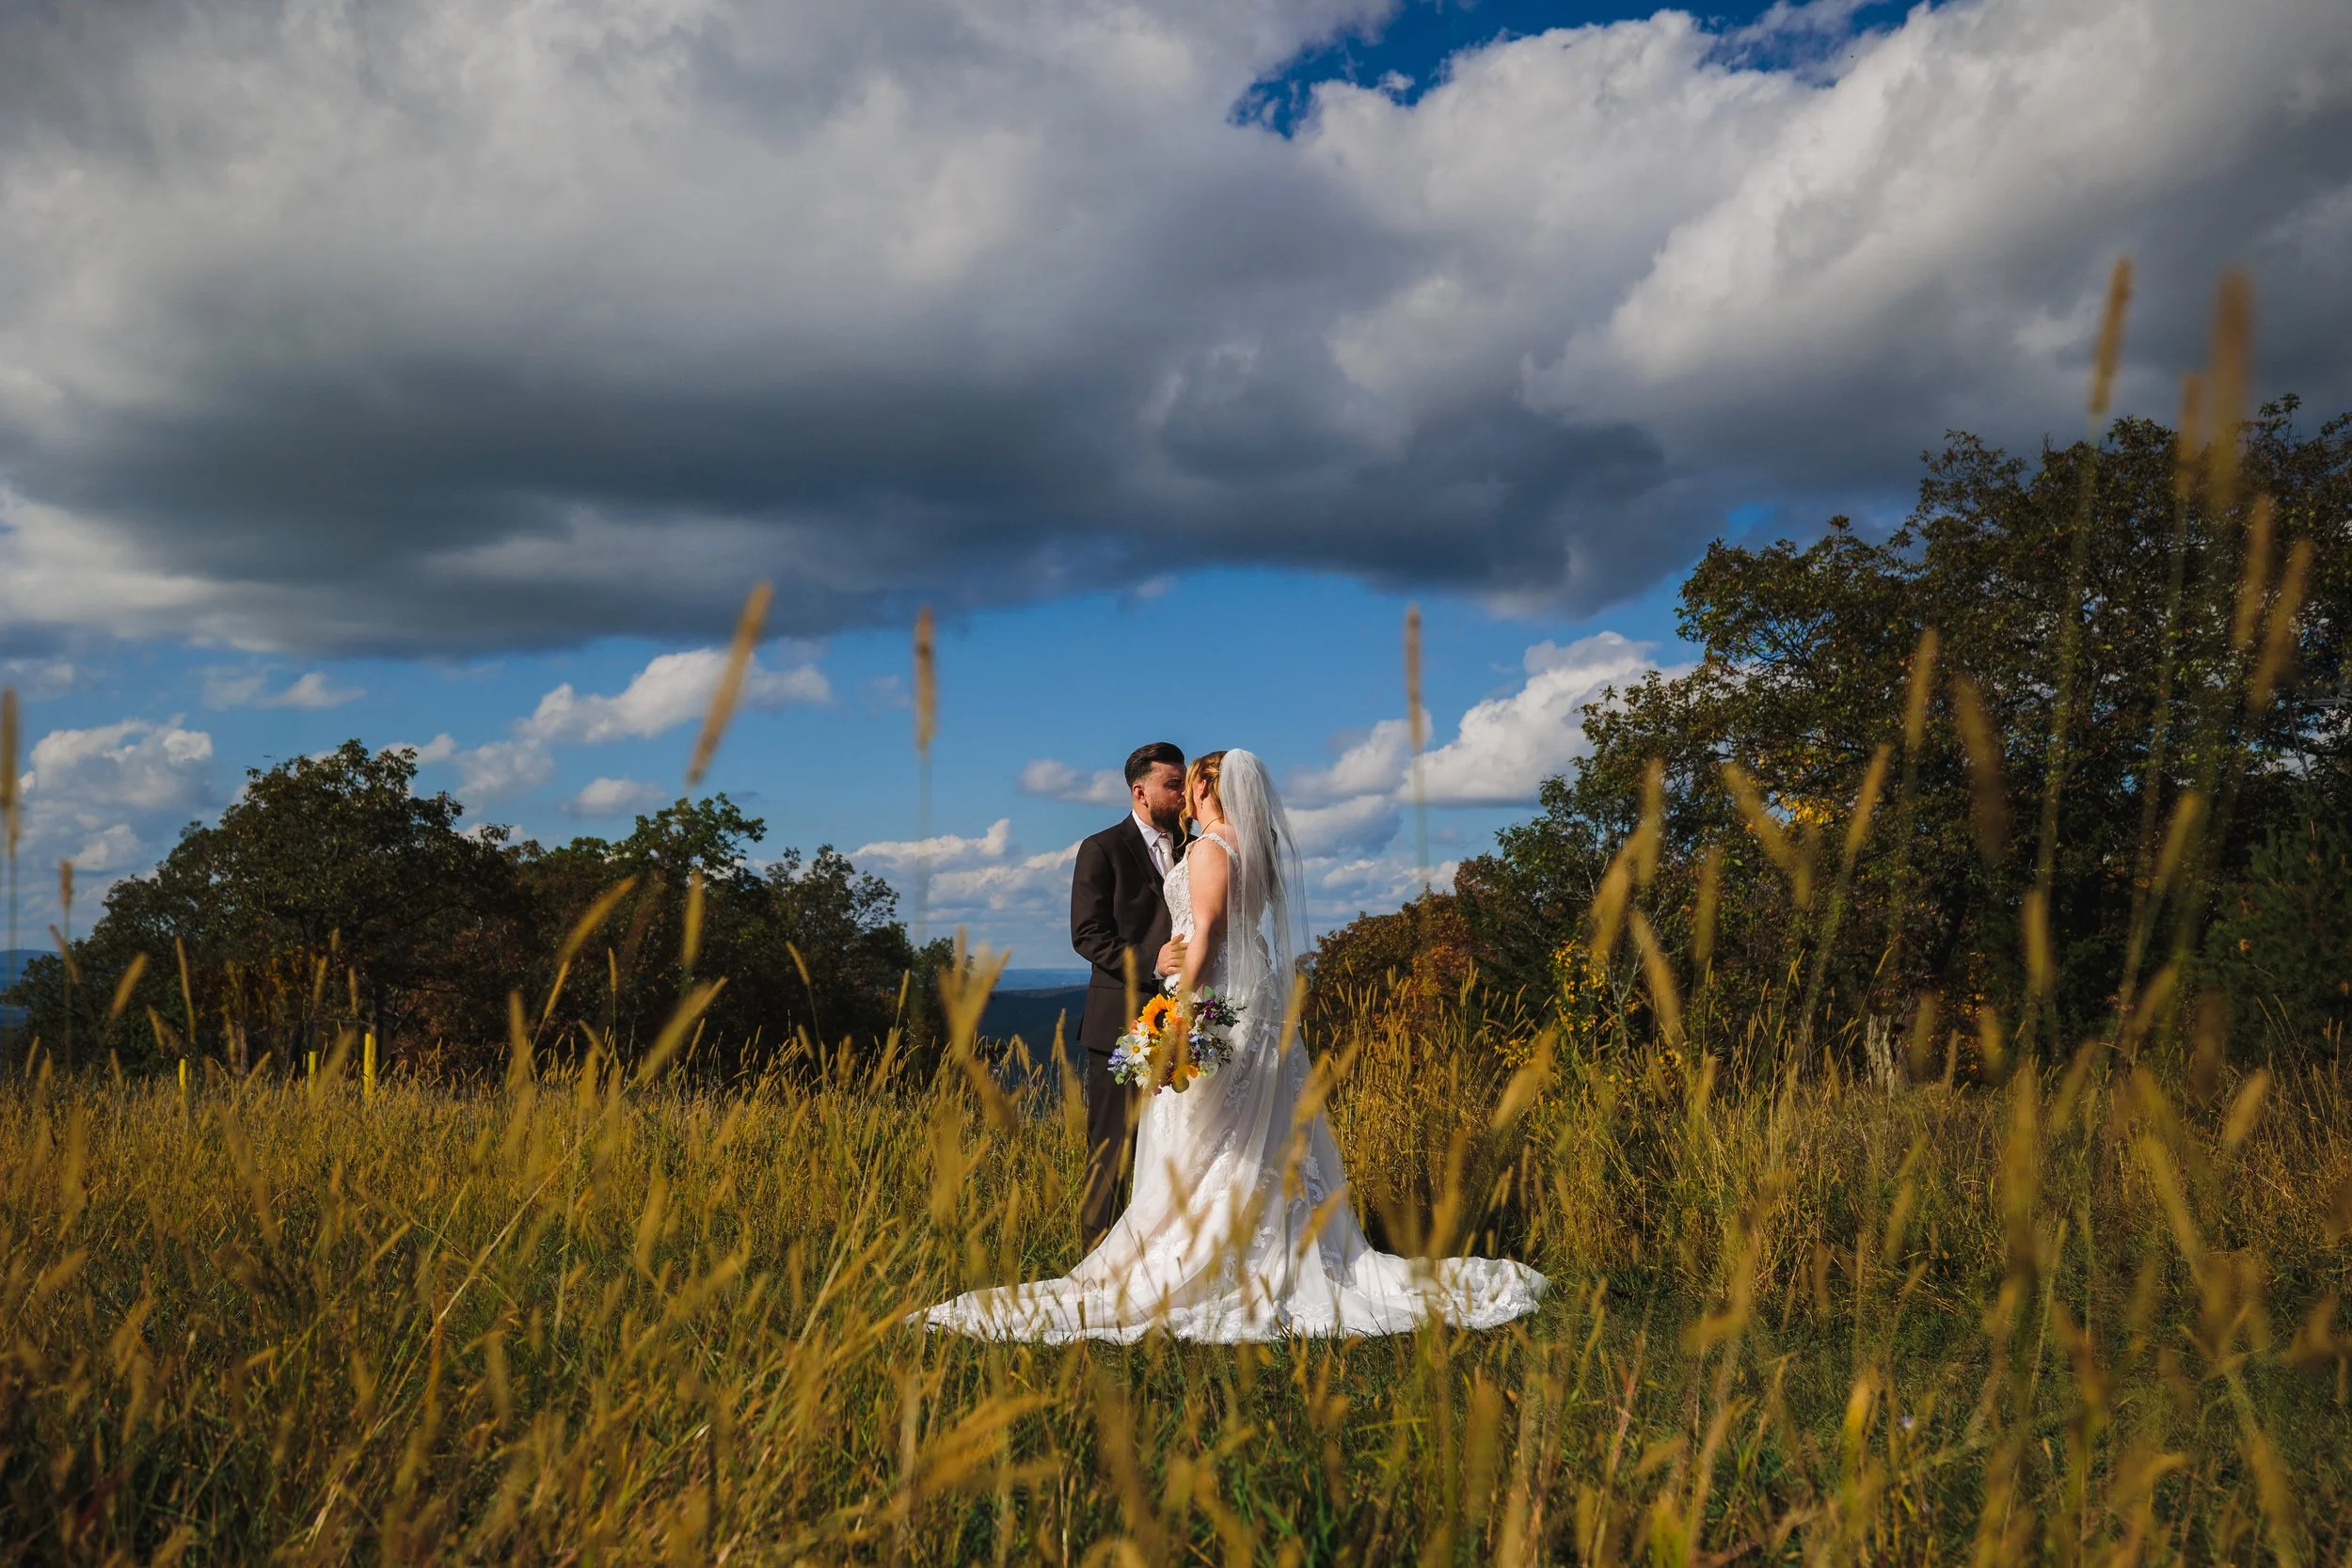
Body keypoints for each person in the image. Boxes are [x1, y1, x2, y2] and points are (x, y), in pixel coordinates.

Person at [919, 749, 1548, 1342]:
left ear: (1204, 788)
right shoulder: (1256, 848)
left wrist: (1180, 1019)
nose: (1184, 795)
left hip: (1216, 1000)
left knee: (1208, 1134)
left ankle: (1217, 1258)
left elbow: (1210, 933)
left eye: (1189, 783)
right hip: (1256, 999)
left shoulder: (1213, 847)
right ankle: (1266, 1241)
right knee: (1255, 1132)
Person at [1067, 741, 1190, 1251]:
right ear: (1140, 792)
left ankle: (1157, 1252)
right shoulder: (1102, 849)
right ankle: (1096, 1260)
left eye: (1185, 783)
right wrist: (1151, 962)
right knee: (1114, 1147)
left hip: (1189, 1023)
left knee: (1173, 1146)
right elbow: (1087, 933)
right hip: (1120, 1023)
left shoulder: (1194, 847)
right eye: (1173, 785)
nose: (1184, 795)